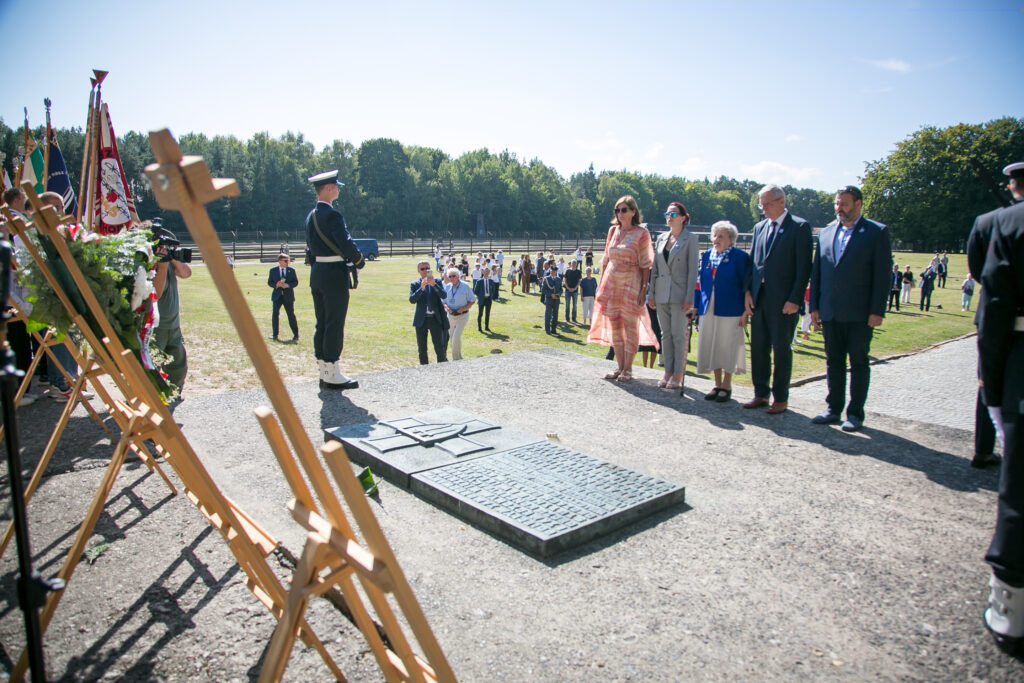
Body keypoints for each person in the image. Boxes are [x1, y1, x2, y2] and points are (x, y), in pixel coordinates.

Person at [977, 164, 1024, 654]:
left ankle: (1011, 603)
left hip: (1019, 363)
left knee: (1019, 489)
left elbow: (994, 303)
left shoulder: (1008, 223)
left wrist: (991, 385)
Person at [809, 185, 893, 432]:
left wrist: (877, 310)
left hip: (859, 312)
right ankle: (833, 409)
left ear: (858, 204)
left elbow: (882, 275)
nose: (839, 209)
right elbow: (818, 272)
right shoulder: (826, 233)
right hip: (830, 310)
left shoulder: (876, 232)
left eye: (844, 204)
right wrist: (814, 306)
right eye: (837, 203)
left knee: (858, 362)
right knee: (833, 361)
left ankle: (855, 413)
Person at [743, 184, 813, 415]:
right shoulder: (759, 227)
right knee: (759, 348)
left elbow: (804, 268)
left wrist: (795, 299)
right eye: (760, 204)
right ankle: (760, 393)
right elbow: (753, 264)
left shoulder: (799, 227)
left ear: (781, 201)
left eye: (766, 203)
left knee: (782, 350)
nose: (762, 208)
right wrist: (748, 293)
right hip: (760, 299)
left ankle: (780, 397)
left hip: (784, 302)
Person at [587, 195, 657, 382]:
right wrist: (601, 284)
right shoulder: (613, 231)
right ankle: (619, 366)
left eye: (624, 210)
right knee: (615, 326)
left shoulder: (641, 233)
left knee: (630, 326)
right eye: (617, 210)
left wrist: (643, 289)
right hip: (611, 283)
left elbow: (645, 264)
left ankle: (628, 369)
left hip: (631, 282)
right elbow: (606, 260)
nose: (620, 213)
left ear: (633, 211)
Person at [305, 170, 364, 390]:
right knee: (334, 322)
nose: (338, 189)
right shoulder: (332, 215)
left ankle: (324, 369)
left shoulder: (311, 216)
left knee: (322, 321)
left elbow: (310, 248)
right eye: (336, 186)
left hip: (317, 272)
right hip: (333, 274)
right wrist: (358, 260)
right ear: (328, 189)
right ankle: (332, 370)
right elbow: (345, 242)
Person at [697, 221, 749, 402]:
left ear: (731, 239)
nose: (716, 239)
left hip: (731, 308)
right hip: (708, 307)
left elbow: (746, 286)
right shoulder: (706, 256)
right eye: (714, 235)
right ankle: (717, 383)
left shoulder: (739, 257)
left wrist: (745, 312)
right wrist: (696, 306)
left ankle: (727, 385)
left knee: (727, 345)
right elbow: (700, 285)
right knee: (712, 344)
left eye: (721, 236)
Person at [650, 201, 698, 390]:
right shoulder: (661, 238)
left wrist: (689, 297)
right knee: (666, 334)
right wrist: (651, 293)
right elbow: (655, 269)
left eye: (674, 214)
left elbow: (693, 271)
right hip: (661, 293)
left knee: (679, 335)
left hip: (679, 294)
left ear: (683, 218)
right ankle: (668, 371)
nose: (670, 217)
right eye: (667, 214)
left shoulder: (691, 239)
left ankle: (678, 373)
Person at [152, 222, 193, 392]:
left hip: (173, 322)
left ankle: (174, 391)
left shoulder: (171, 262)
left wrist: (173, 257)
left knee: (178, 363)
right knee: (154, 362)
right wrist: (161, 265)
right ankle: (152, 395)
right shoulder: (151, 264)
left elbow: (186, 273)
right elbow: (156, 293)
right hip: (156, 325)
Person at [410, 261, 448, 364]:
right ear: (418, 271)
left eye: (427, 268)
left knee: (439, 347)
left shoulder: (437, 281)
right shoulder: (415, 284)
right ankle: (424, 370)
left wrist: (434, 285)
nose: (425, 271)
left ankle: (442, 368)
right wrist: (421, 288)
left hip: (435, 318)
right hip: (421, 319)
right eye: (422, 269)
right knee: (422, 349)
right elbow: (412, 300)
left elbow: (444, 295)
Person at [443, 267, 475, 360]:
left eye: (454, 276)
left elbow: (472, 300)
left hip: (462, 315)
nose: (452, 278)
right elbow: (443, 301)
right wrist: (446, 307)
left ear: (458, 276)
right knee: (452, 337)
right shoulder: (447, 287)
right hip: (450, 315)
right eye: (450, 276)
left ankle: (456, 359)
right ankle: (458, 357)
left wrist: (463, 308)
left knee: (456, 337)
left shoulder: (465, 286)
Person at [268, 253, 299, 342]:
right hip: (277, 296)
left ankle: (296, 335)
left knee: (291, 315)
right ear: (279, 261)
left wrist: (288, 285)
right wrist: (276, 285)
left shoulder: (292, 270)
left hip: (288, 296)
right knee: (275, 315)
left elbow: (295, 282)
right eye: (285, 261)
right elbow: (270, 282)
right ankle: (275, 334)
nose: (287, 262)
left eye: (288, 260)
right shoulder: (273, 270)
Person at [540, 261, 563, 334]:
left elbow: (561, 290)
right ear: (550, 271)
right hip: (549, 299)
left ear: (556, 272)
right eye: (552, 271)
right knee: (548, 314)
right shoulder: (546, 278)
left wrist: (558, 295)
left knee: (555, 315)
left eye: (554, 271)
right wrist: (550, 295)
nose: (553, 272)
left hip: (556, 300)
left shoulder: (559, 279)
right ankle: (547, 329)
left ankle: (554, 329)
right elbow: (543, 289)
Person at [474, 267, 496, 332]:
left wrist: (491, 296)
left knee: (487, 314)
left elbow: (493, 290)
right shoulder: (479, 281)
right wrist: (480, 296)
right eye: (485, 272)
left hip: (488, 299)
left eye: (487, 272)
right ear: (483, 272)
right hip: (481, 299)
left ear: (489, 273)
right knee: (480, 314)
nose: (486, 273)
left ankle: (486, 327)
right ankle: (479, 327)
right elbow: (475, 291)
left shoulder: (491, 281)